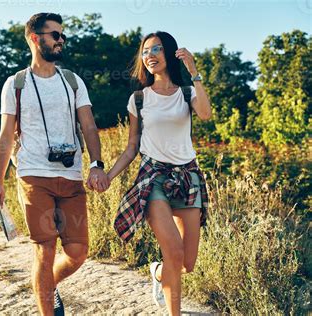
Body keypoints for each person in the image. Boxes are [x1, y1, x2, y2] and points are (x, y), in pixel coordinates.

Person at [0, 12, 109, 316]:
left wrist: (97, 164)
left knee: (78, 252)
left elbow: (89, 126)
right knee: (45, 249)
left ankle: (46, 286)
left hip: (70, 175)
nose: (61, 41)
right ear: (35, 37)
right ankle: (46, 306)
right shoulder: (15, 84)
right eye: (55, 35)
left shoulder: (72, 80)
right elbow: (5, 137)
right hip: (32, 176)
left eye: (62, 35)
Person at [99, 31, 211, 316]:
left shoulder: (186, 93)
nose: (150, 55)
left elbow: (206, 114)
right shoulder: (138, 99)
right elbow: (131, 147)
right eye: (146, 51)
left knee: (187, 263)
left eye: (157, 49)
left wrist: (194, 72)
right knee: (173, 251)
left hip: (188, 176)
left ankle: (158, 272)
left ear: (171, 53)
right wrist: (108, 176)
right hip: (154, 177)